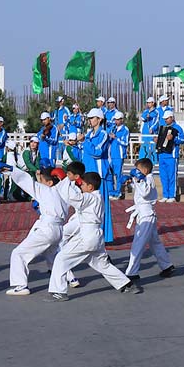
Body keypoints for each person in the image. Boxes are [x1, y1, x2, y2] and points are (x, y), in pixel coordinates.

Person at [47, 172, 141, 301]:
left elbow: (72, 197)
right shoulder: (97, 197)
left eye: (83, 184)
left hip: (87, 236)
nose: (81, 186)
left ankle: (59, 292)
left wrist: (64, 179)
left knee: (61, 259)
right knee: (102, 264)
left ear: (91, 187)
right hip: (95, 235)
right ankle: (126, 284)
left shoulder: (90, 198)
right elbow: (74, 196)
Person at [1, 162, 70, 295]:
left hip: (47, 228)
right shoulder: (64, 191)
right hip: (59, 230)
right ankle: (69, 278)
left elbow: (26, 181)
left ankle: (21, 286)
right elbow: (68, 184)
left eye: (42, 180)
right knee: (53, 255)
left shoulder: (45, 190)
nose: (39, 182)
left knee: (19, 253)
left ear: (49, 183)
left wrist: (11, 170)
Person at [123, 157, 175, 282]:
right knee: (154, 242)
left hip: (146, 215)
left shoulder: (149, 179)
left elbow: (145, 192)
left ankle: (132, 272)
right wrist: (130, 182)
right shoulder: (143, 179)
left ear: (145, 170)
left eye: (138, 169)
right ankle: (166, 265)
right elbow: (140, 190)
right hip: (144, 214)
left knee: (138, 243)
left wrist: (138, 179)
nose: (136, 171)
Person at [81, 108, 114, 242]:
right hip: (88, 173)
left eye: (92, 118)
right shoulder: (89, 134)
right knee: (88, 206)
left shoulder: (104, 134)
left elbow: (97, 152)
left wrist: (85, 142)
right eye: (89, 118)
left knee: (100, 206)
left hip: (99, 176)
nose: (90, 120)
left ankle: (104, 236)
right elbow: (86, 153)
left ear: (99, 119)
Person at [156, 109, 184, 202]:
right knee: (163, 176)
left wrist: (174, 139)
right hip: (162, 155)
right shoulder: (163, 128)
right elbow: (160, 138)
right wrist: (157, 140)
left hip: (171, 155)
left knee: (172, 175)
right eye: (165, 119)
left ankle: (172, 195)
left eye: (167, 118)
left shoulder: (177, 128)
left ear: (172, 118)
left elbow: (183, 139)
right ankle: (165, 194)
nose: (166, 120)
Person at [108, 111, 130, 198]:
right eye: (115, 120)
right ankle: (111, 192)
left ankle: (118, 192)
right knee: (110, 174)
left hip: (119, 155)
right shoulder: (113, 128)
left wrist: (116, 138)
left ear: (121, 120)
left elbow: (125, 142)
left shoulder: (125, 129)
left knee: (118, 174)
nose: (116, 122)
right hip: (111, 155)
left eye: (117, 120)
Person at [139, 96, 161, 161]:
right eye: (147, 103)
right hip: (145, 133)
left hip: (152, 134)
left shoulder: (156, 112)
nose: (148, 104)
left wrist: (152, 129)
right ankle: (143, 161)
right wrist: (147, 115)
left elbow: (157, 122)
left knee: (152, 147)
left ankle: (153, 161)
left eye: (149, 103)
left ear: (153, 103)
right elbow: (142, 118)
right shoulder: (146, 111)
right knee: (144, 147)